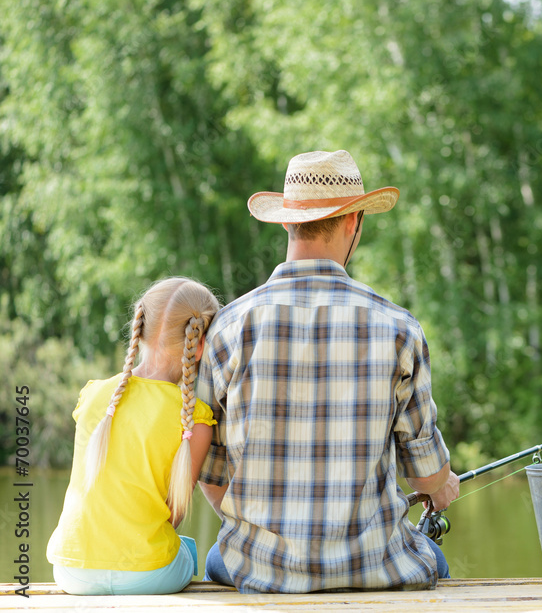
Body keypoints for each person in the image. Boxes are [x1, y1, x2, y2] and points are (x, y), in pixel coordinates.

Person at [197, 150, 460, 594]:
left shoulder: (229, 326)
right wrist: (443, 485)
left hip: (259, 570)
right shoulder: (398, 328)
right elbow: (425, 475)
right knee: (436, 561)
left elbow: (211, 475)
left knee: (214, 556)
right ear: (353, 222)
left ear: (286, 221)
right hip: (375, 569)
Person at [46, 278, 220, 595]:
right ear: (200, 346)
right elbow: (173, 515)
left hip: (72, 571)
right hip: (149, 575)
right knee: (188, 550)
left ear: (139, 330)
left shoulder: (95, 396)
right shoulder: (196, 418)